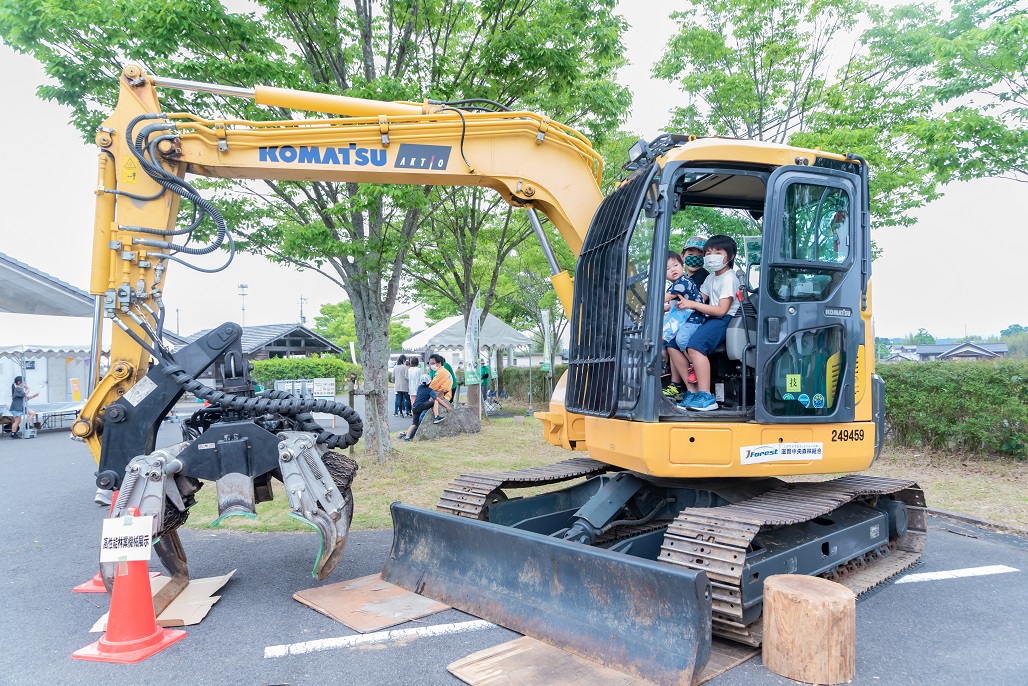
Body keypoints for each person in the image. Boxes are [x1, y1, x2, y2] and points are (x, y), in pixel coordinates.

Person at [675, 235, 741, 411]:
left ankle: (706, 396)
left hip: (723, 319)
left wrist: (692, 304)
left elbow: (721, 310)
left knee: (696, 346)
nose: (712, 256)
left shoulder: (729, 278)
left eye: (718, 252)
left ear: (731, 256)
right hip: (709, 317)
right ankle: (693, 391)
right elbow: (700, 298)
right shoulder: (711, 277)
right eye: (709, 252)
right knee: (673, 343)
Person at [661, 252, 704, 401]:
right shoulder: (674, 285)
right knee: (668, 340)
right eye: (667, 268)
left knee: (682, 339)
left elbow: (668, 297)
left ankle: (693, 365)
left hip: (695, 318)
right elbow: (670, 306)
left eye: (676, 265)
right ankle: (683, 384)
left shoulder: (683, 282)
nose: (673, 269)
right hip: (685, 319)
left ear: (682, 265)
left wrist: (652, 302)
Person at [397, 373, 439, 441]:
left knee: (414, 424)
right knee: (434, 402)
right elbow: (437, 398)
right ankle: (437, 417)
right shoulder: (430, 390)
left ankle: (407, 437)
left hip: (415, 407)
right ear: (430, 382)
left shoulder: (419, 387)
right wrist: (446, 406)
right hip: (421, 406)